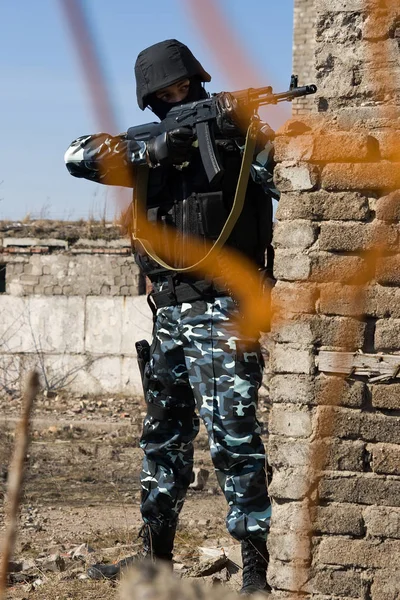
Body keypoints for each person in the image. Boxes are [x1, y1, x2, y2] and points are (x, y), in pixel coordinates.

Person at [65, 39, 278, 596]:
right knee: (163, 439)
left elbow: (289, 183)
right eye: (165, 93)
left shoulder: (238, 141)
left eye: (184, 88)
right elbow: (75, 156)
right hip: (168, 315)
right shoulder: (146, 150)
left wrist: (255, 141)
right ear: (150, 99)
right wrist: (154, 151)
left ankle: (256, 567)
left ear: (199, 82)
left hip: (226, 310)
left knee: (234, 439)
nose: (176, 96)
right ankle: (154, 560)